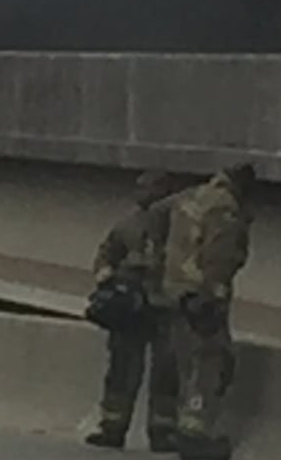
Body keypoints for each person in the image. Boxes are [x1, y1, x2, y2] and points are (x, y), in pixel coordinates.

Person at [85, 171, 188, 452]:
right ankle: (112, 426)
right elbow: (106, 255)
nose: (142, 193)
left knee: (167, 370)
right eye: (140, 188)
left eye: (150, 187)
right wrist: (107, 276)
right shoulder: (127, 225)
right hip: (131, 307)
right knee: (122, 368)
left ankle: (162, 430)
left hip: (166, 306)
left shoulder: (180, 226)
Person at [160, 163, 256, 460]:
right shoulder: (225, 206)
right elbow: (221, 254)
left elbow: (154, 221)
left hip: (176, 291)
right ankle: (196, 433)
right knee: (212, 361)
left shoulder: (189, 197)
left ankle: (180, 424)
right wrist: (213, 294)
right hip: (202, 294)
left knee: (186, 360)